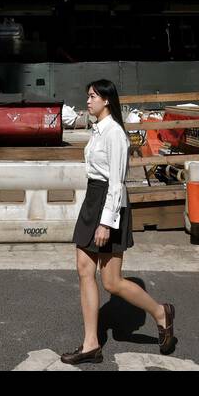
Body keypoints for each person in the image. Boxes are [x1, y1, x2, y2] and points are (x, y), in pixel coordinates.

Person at [61, 78, 176, 364]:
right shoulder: (98, 129)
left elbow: (116, 183)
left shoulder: (114, 133)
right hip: (93, 198)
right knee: (83, 269)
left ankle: (161, 312)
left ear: (106, 101)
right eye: (87, 96)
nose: (88, 101)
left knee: (111, 282)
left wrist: (105, 222)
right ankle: (91, 344)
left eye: (92, 97)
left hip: (109, 204)